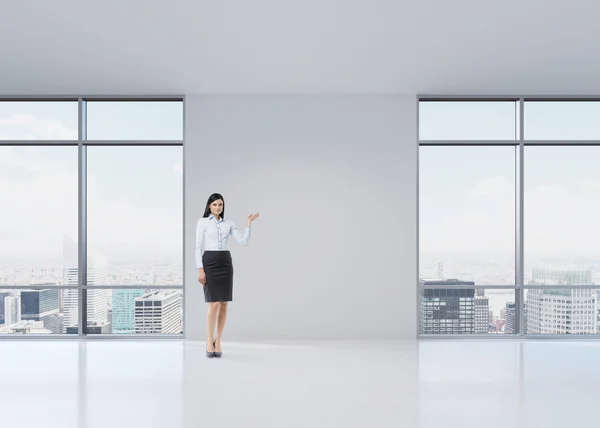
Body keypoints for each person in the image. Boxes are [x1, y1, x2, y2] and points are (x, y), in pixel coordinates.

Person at [195, 193, 259, 358]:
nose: (218, 207)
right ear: (209, 206)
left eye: (220, 205)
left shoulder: (228, 223)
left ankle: (219, 340)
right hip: (209, 261)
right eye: (215, 204)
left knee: (223, 304)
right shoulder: (202, 222)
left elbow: (243, 241)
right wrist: (200, 269)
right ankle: (209, 340)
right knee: (213, 304)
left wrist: (248, 224)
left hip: (225, 262)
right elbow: (197, 248)